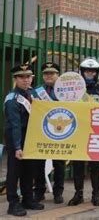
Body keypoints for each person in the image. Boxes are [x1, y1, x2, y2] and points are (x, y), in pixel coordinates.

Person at [68, 57, 99, 207]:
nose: (90, 73)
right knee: (78, 165)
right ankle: (78, 194)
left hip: (96, 132)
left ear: (97, 73)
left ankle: (96, 195)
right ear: (82, 72)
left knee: (95, 166)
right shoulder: (74, 88)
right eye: (87, 70)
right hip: (78, 131)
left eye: (93, 71)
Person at [4, 63, 45, 216]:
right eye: (22, 77)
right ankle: (13, 203)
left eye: (28, 77)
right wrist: (17, 147)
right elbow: (14, 125)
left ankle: (27, 199)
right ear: (15, 79)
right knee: (14, 171)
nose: (26, 80)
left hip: (30, 136)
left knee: (29, 169)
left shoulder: (34, 93)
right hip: (16, 136)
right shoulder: (12, 99)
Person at [33, 62, 66, 204]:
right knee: (39, 163)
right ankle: (39, 192)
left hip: (61, 132)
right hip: (42, 131)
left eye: (52, 73)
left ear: (58, 75)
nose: (49, 76)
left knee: (59, 164)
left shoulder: (66, 91)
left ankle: (58, 192)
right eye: (46, 73)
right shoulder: (37, 91)